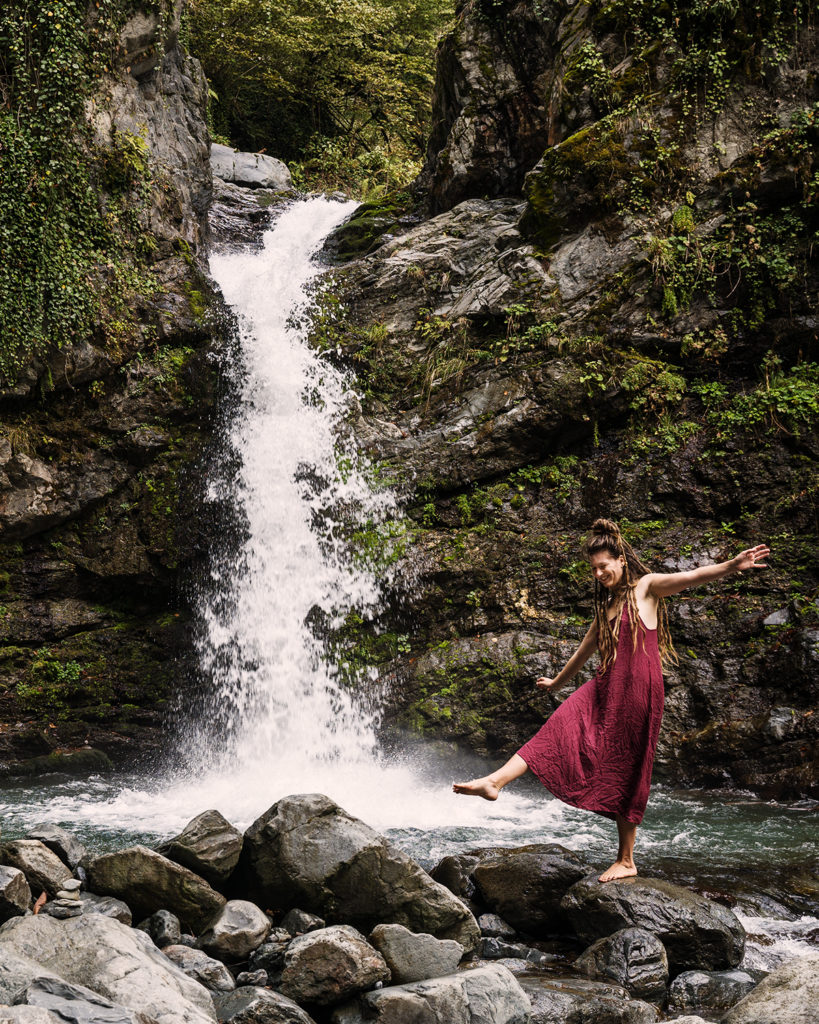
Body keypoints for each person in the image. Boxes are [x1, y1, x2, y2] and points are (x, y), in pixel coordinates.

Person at [453, 518, 770, 883]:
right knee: (556, 729)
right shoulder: (605, 610)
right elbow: (583, 653)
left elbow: (693, 576)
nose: (599, 573)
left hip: (639, 693)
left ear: (621, 560)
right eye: (594, 568)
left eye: (604, 565)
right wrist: (557, 683)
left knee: (628, 766)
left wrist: (732, 565)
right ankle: (494, 782)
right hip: (605, 686)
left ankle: (626, 859)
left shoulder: (647, 588)